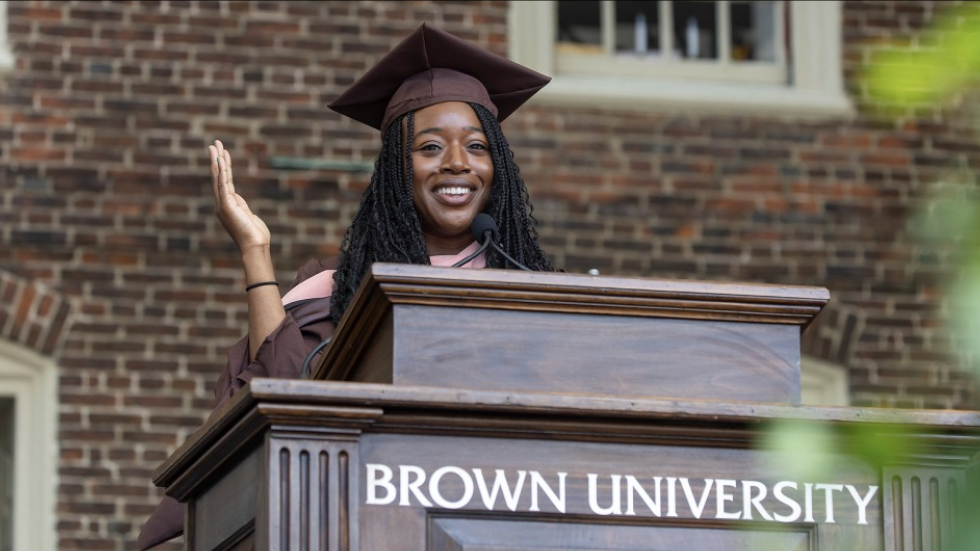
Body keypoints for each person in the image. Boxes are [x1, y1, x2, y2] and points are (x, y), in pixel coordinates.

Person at [137, 23, 555, 549]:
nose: (457, 163)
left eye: (476, 146)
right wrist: (255, 251)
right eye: (430, 146)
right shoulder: (341, 290)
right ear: (396, 171)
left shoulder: (540, 298)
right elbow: (284, 398)